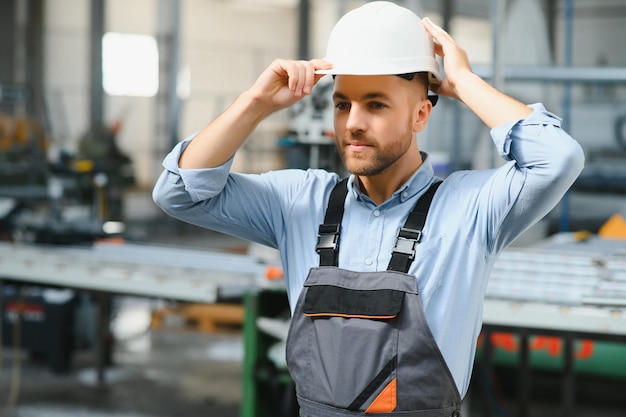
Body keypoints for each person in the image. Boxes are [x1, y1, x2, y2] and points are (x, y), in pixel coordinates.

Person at [153, 2, 584, 415]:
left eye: (375, 104)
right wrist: (254, 104)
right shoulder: (299, 202)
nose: (353, 122)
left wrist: (466, 82)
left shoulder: (471, 209)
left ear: (420, 114)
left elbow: (557, 158)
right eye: (343, 105)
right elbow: (178, 192)